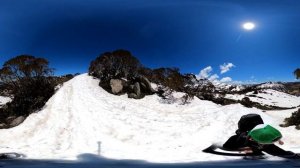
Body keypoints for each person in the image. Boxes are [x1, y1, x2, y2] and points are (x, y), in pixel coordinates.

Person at [223, 113, 300, 159]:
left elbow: (272, 148)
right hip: (246, 149)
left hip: (253, 144)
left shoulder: (259, 138)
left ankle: (289, 155)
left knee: (266, 145)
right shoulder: (239, 138)